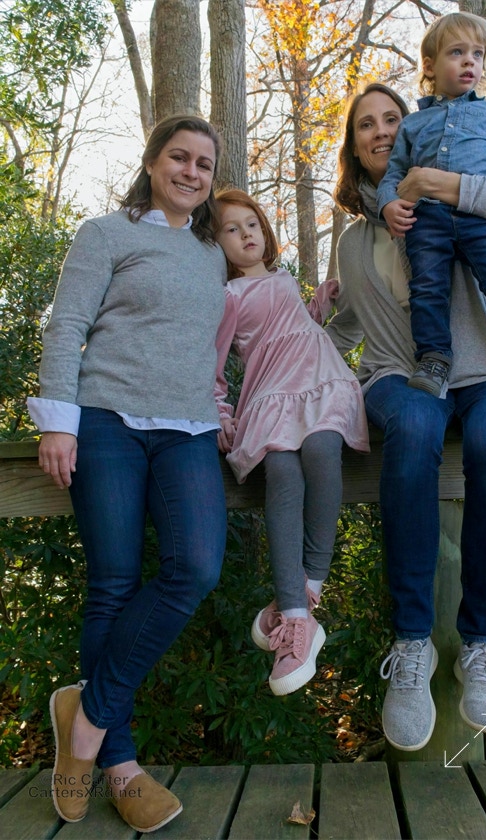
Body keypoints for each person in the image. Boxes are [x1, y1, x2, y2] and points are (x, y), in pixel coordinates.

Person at [325, 81, 486, 751]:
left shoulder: (465, 190)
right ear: (354, 146)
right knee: (418, 424)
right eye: (365, 124)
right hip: (400, 377)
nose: (380, 130)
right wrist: (288, 337)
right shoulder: (353, 240)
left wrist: (444, 185)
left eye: (390, 118)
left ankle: (480, 646)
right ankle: (411, 644)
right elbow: (347, 326)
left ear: (414, 129)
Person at [27, 115, 229, 832]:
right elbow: (67, 325)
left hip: (188, 431)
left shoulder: (211, 253)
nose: (191, 172)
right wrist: (58, 419)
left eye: (204, 164)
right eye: (179, 157)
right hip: (106, 421)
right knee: (112, 584)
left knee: (195, 567)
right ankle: (119, 765)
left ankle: (85, 720)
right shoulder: (104, 234)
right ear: (151, 162)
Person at [214, 189, 369, 696]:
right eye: (231, 229)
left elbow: (297, 327)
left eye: (251, 224)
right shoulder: (228, 297)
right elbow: (214, 365)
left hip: (320, 380)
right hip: (271, 396)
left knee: (323, 451)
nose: (245, 234)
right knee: (281, 473)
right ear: (217, 244)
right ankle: (296, 617)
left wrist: (319, 302)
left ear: (264, 230)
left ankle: (307, 588)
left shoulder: (281, 278)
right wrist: (220, 412)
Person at [376, 12, 486, 403]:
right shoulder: (412, 125)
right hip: (428, 218)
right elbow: (394, 174)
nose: (469, 62)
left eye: (477, 54)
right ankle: (434, 357)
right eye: (457, 52)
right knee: (427, 286)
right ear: (429, 66)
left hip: (482, 218)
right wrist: (388, 203)